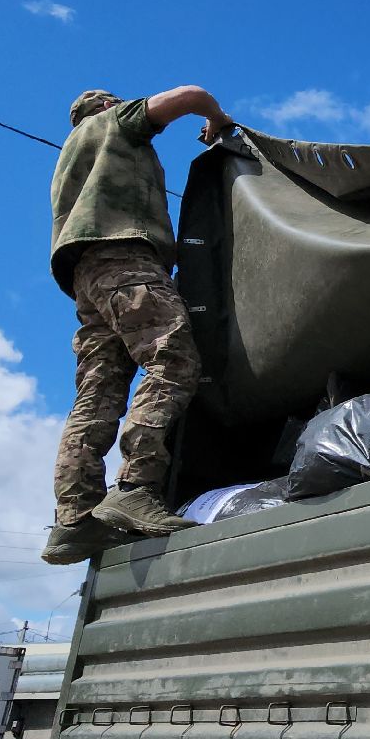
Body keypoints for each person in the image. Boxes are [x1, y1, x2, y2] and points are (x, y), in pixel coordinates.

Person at [41, 86, 234, 565]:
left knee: (97, 394)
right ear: (105, 106)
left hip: (86, 278)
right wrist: (218, 122)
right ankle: (136, 486)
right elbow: (192, 94)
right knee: (172, 358)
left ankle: (74, 520)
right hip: (124, 258)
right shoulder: (112, 124)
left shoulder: (71, 155)